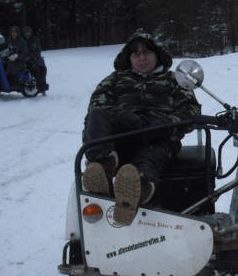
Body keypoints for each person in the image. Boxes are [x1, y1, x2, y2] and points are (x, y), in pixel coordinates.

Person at [82, 29, 201, 226]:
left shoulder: (173, 80)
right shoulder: (115, 79)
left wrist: (164, 125)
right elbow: (97, 104)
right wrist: (123, 116)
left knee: (149, 159)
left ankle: (139, 188)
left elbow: (191, 110)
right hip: (121, 137)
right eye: (136, 53)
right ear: (129, 58)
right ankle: (101, 167)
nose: (142, 58)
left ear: (157, 55)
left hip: (158, 138)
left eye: (147, 52)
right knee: (97, 115)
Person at [22, 26, 49, 92]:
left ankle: (43, 84)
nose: (27, 34)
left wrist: (32, 56)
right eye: (26, 32)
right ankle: (39, 85)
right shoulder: (22, 40)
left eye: (28, 32)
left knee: (43, 68)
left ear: (31, 32)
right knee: (36, 69)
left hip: (35, 57)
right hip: (25, 58)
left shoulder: (35, 39)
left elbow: (38, 50)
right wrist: (26, 57)